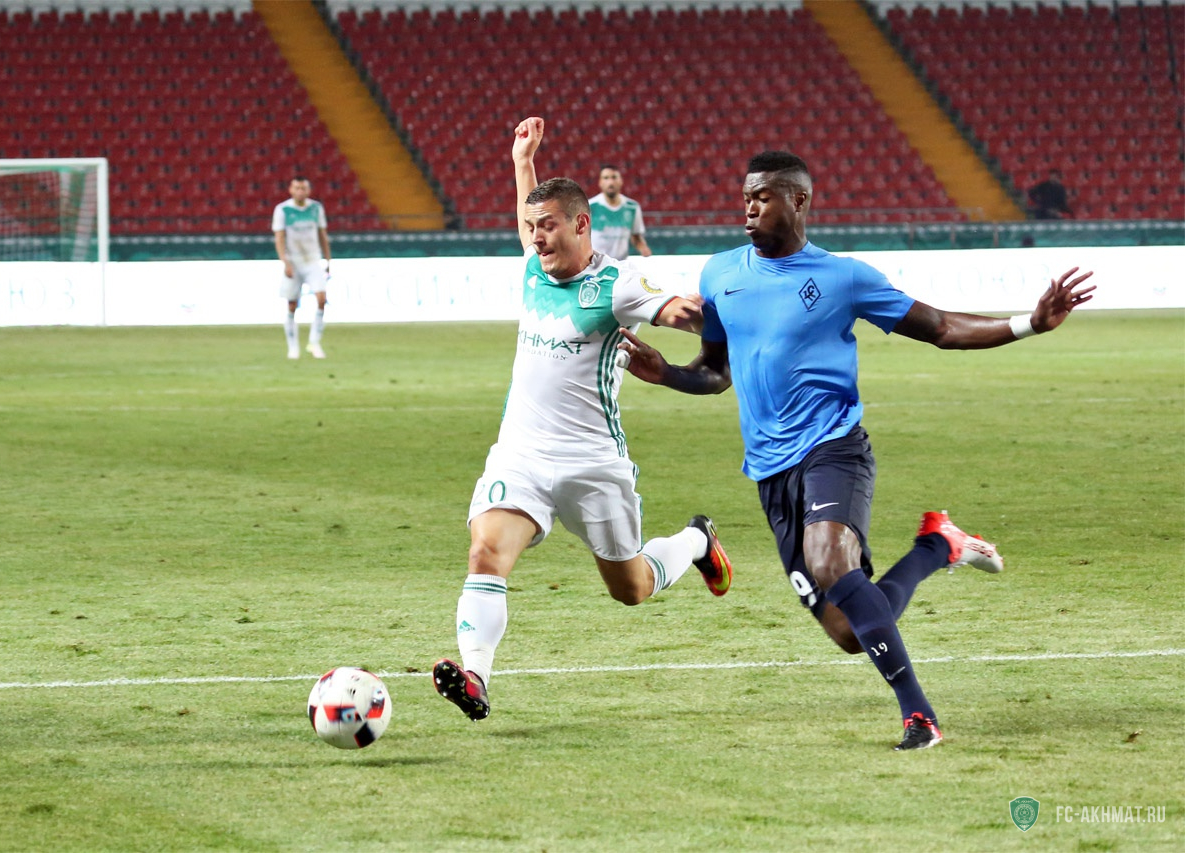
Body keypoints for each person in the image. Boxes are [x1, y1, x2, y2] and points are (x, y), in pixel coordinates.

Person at [619, 151, 1095, 750]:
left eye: (762, 197)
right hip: (770, 470)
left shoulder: (845, 278)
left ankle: (919, 716)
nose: (749, 208)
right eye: (745, 197)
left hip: (833, 447)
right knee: (849, 630)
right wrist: (666, 374)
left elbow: (941, 328)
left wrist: (1029, 323)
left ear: (799, 201)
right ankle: (938, 545)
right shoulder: (720, 274)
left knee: (828, 561)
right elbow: (715, 373)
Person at [432, 117, 733, 721]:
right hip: (520, 455)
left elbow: (681, 313)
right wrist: (522, 161)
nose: (537, 237)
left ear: (581, 223)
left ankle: (697, 540)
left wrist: (709, 316)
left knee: (631, 589)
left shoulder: (620, 283)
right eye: (531, 227)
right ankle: (476, 677)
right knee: (485, 552)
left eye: (548, 225)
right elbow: (529, 213)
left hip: (593, 463)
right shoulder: (532, 265)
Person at [272, 176, 331, 359]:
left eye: (303, 188)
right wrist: (285, 262)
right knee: (292, 304)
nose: (300, 191)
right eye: (297, 188)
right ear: (291, 190)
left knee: (321, 298)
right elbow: (279, 237)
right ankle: (293, 347)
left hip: (312, 260)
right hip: (294, 261)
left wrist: (328, 259)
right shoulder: (283, 210)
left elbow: (322, 234)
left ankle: (314, 343)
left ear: (308, 190)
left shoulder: (316, 208)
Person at [588, 165, 652, 260]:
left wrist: (643, 248)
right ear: (600, 182)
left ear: (621, 181)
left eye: (614, 177)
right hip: (597, 263)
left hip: (621, 264)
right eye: (606, 178)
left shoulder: (632, 207)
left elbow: (636, 236)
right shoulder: (590, 206)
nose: (610, 182)